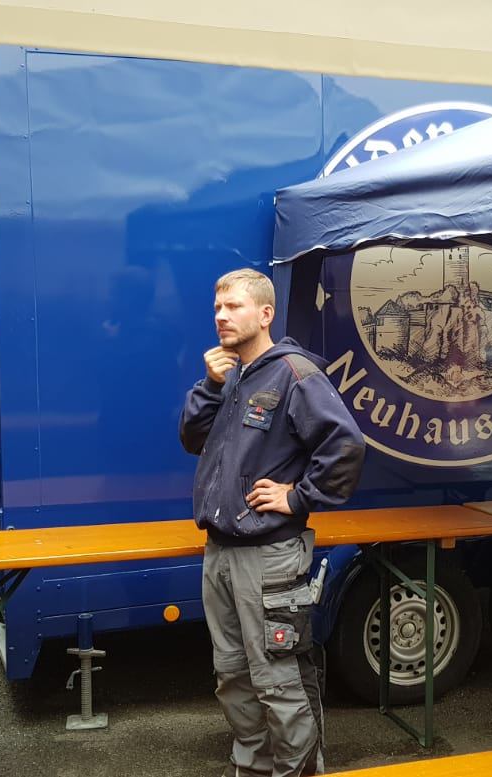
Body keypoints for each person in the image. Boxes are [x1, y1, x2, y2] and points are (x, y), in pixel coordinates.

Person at [180, 268, 365, 777]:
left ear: (265, 314)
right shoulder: (231, 376)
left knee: (277, 678)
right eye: (217, 308)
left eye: (233, 307)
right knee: (232, 676)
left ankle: (297, 770)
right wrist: (210, 386)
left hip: (269, 556)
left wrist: (298, 497)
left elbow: (345, 446)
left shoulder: (294, 374)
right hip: (220, 552)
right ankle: (254, 767)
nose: (221, 317)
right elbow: (192, 439)